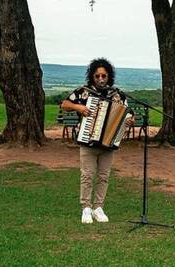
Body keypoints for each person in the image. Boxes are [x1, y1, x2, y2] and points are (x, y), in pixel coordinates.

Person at [61, 58, 133, 224]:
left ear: (109, 77)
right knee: (87, 175)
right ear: (92, 76)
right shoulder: (82, 92)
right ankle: (86, 207)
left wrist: (129, 120)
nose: (101, 79)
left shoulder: (117, 95)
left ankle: (98, 207)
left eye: (104, 76)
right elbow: (65, 104)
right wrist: (78, 107)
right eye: (97, 76)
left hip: (109, 143)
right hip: (87, 142)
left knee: (103, 176)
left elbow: (127, 114)